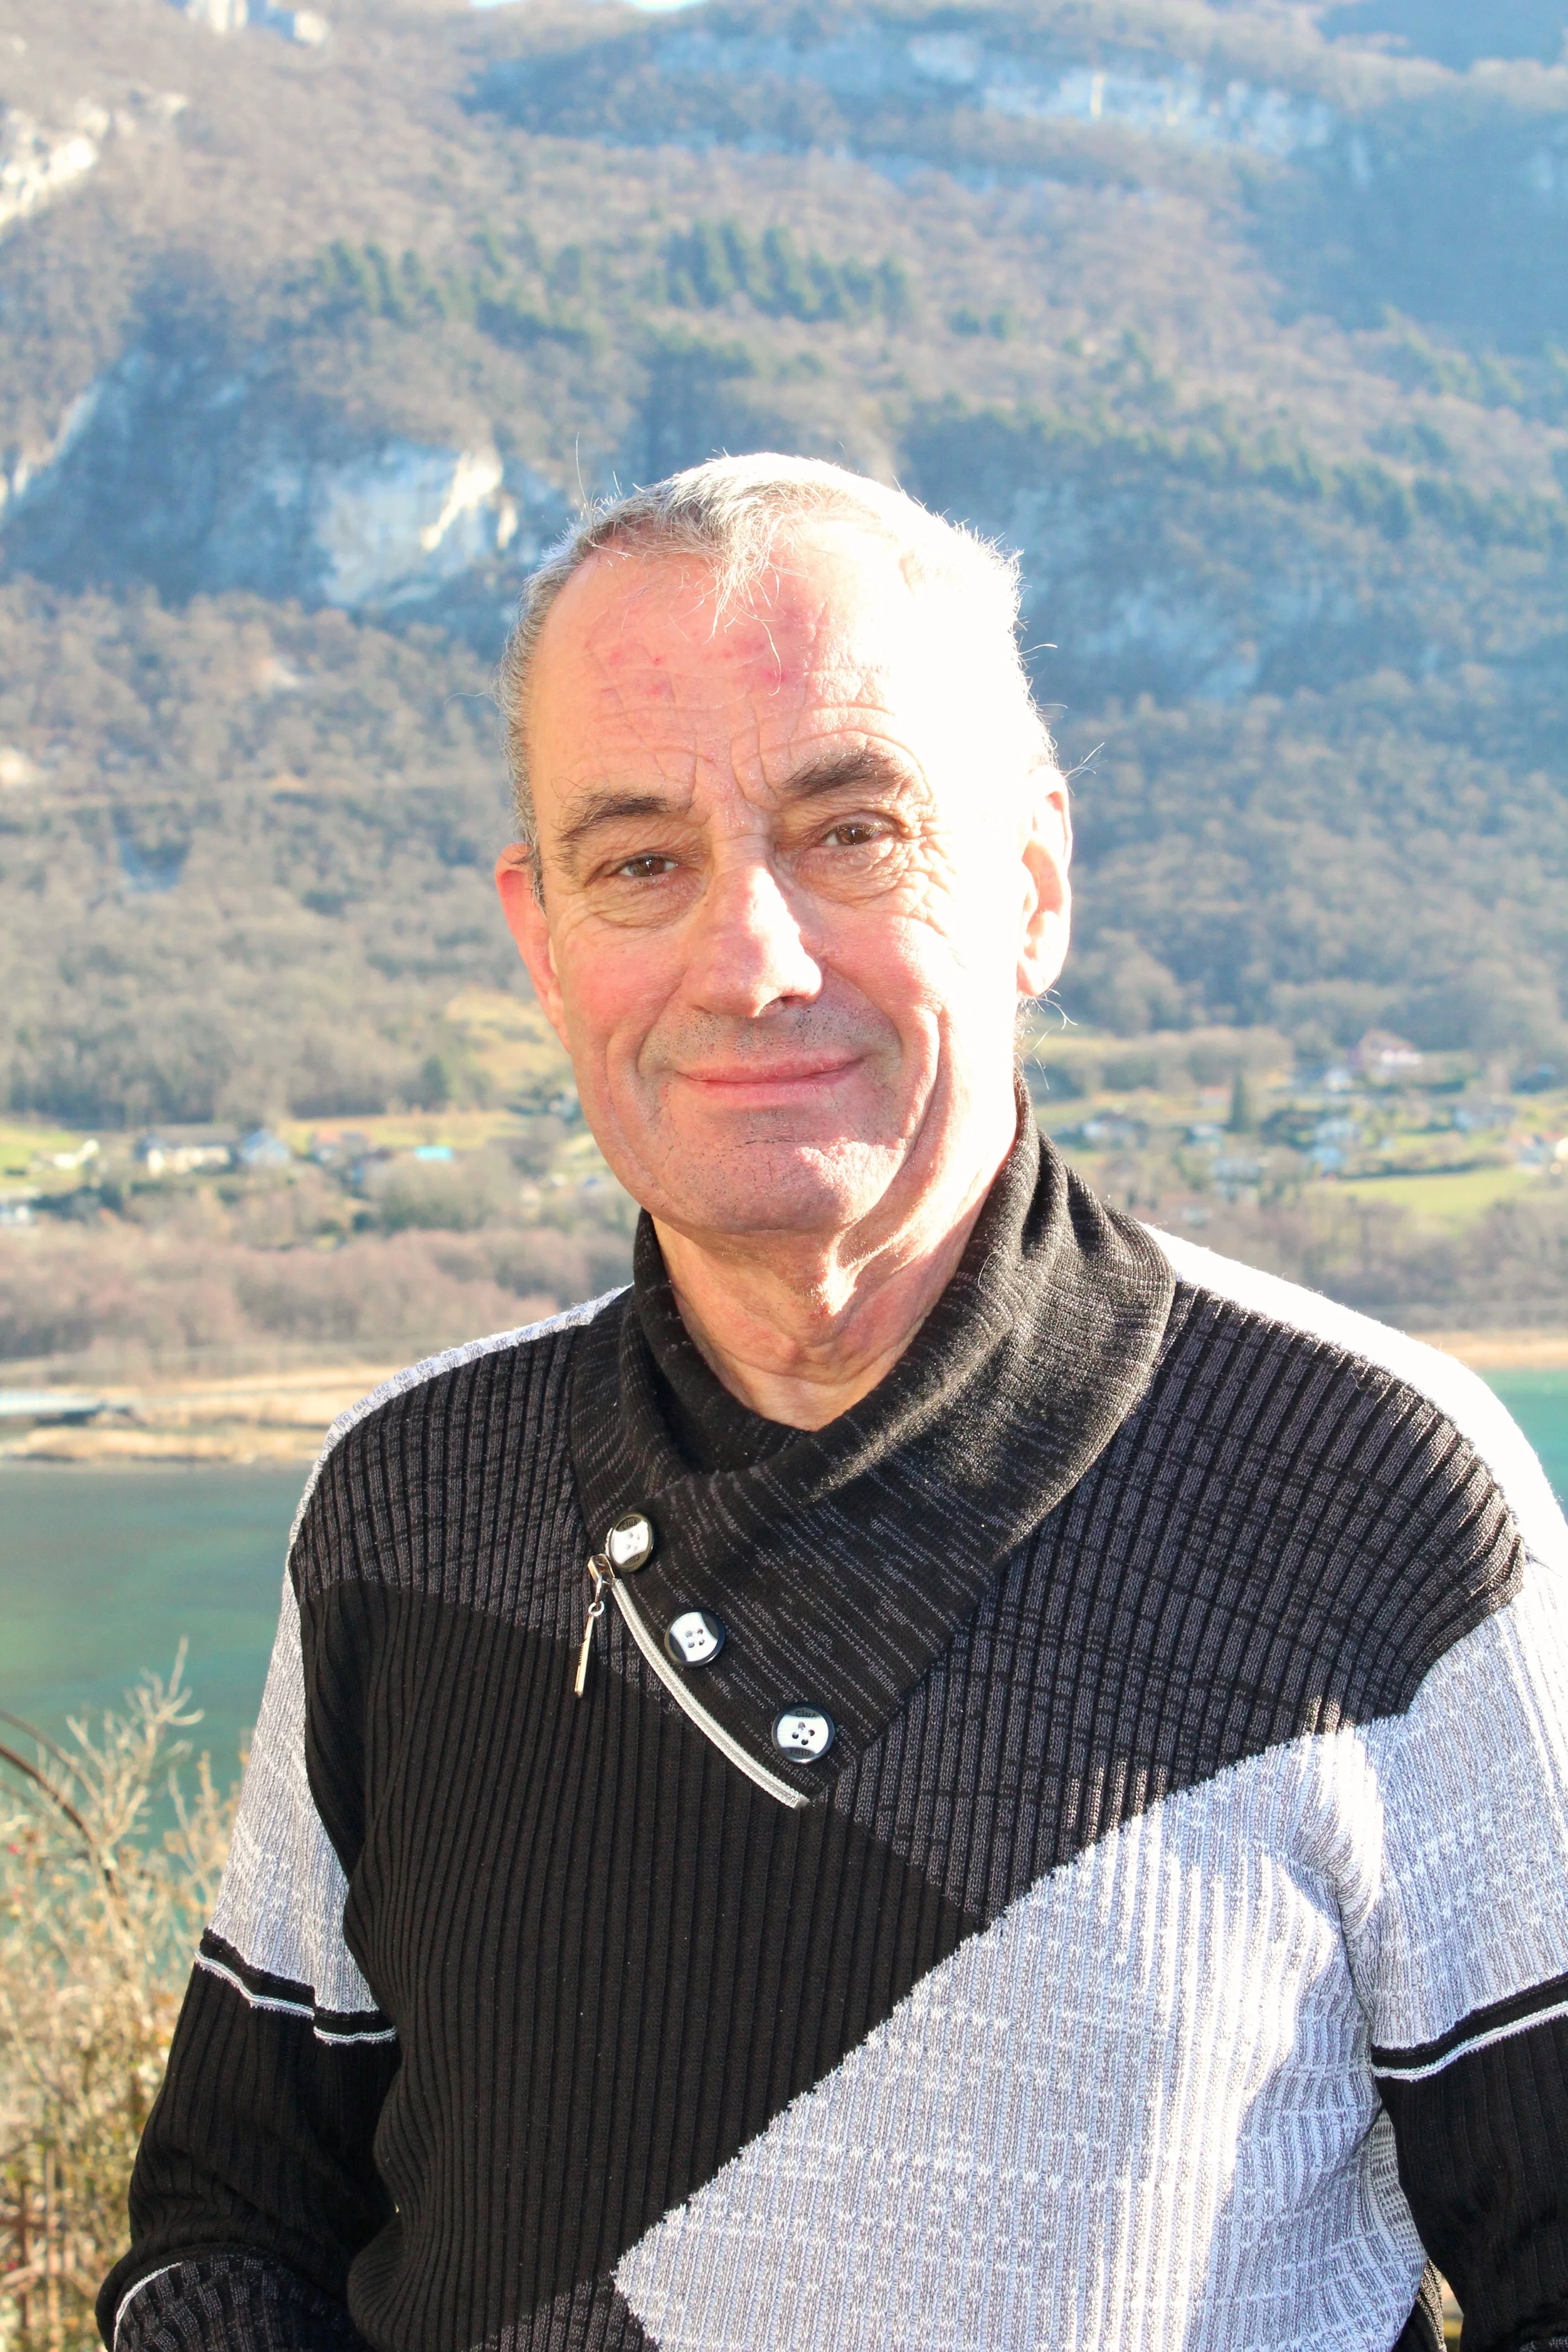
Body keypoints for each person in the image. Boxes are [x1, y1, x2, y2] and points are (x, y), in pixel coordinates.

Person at [100, 456, 1568, 2352]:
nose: (751, 959)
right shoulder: (408, 1503)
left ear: (1030, 881)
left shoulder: (1373, 1500)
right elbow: (232, 2225)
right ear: (541, 941)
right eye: (640, 860)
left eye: (852, 832)